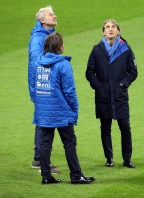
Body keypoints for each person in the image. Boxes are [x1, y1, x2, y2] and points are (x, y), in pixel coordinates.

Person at [33, 32, 95, 184]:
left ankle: (46, 177)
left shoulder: (38, 63)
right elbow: (69, 91)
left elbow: (36, 87)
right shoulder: (63, 64)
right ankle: (76, 175)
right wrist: (74, 110)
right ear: (59, 47)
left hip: (43, 111)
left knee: (45, 143)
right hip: (61, 111)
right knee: (69, 142)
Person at [86, 19, 138, 168]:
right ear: (103, 32)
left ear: (118, 31)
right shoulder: (97, 49)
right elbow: (89, 72)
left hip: (119, 95)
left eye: (113, 27)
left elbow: (133, 71)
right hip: (103, 96)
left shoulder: (125, 49)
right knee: (105, 127)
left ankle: (127, 159)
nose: (110, 29)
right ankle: (109, 158)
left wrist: (123, 84)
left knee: (125, 127)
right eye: (107, 27)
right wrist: (98, 87)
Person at [28, 5, 60, 173]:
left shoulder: (49, 35)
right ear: (42, 20)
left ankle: (38, 158)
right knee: (44, 122)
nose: (54, 15)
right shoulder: (38, 38)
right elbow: (36, 63)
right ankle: (41, 160)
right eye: (50, 14)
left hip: (46, 85)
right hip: (43, 86)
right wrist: (41, 87)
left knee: (44, 122)